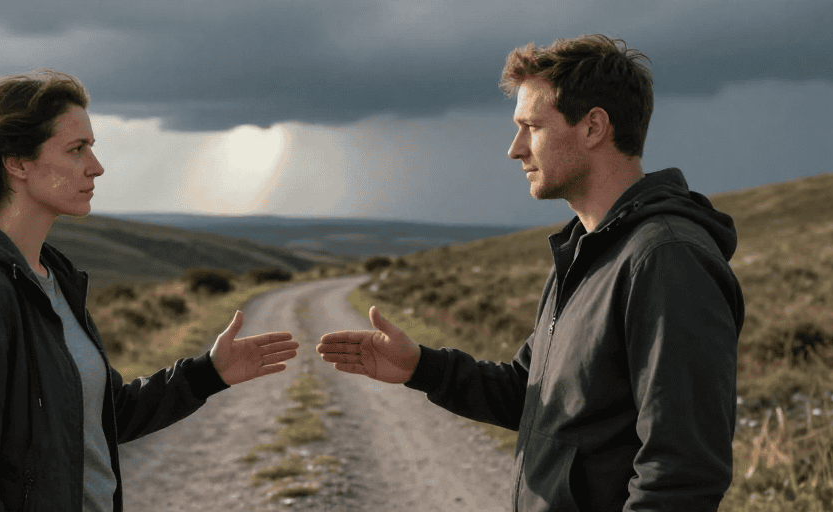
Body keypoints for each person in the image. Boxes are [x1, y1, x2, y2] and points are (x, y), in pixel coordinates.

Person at [317, 34, 744, 511]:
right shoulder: (586, 250)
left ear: (593, 126)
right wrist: (422, 367)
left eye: (531, 127)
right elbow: (532, 395)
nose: (515, 149)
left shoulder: (665, 259)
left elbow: (682, 473)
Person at [0, 69, 299, 512]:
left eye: (91, 147)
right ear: (17, 162)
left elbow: (101, 415)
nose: (96, 166)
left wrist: (208, 373)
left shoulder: (53, 278)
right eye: (77, 149)